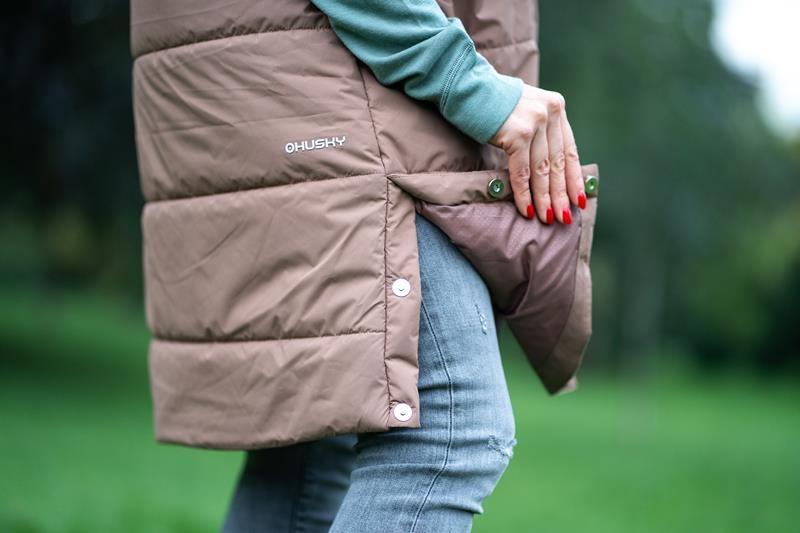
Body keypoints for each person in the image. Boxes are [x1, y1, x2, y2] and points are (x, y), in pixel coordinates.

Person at [129, 0, 586, 531]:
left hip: (294, 87)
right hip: (348, 105)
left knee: (322, 439)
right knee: (450, 428)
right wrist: (470, 84)